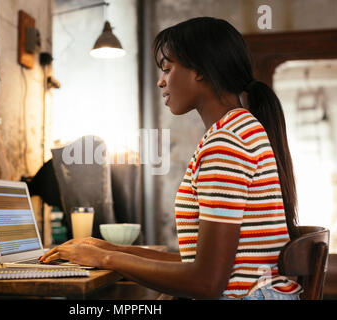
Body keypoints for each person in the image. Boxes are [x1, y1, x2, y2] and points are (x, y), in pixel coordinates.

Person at [40, 17, 302, 300]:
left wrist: (106, 260)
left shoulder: (227, 142)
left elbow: (206, 282)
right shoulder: (239, 129)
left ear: (200, 69)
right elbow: (200, 266)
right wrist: (110, 249)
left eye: (167, 68)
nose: (160, 80)